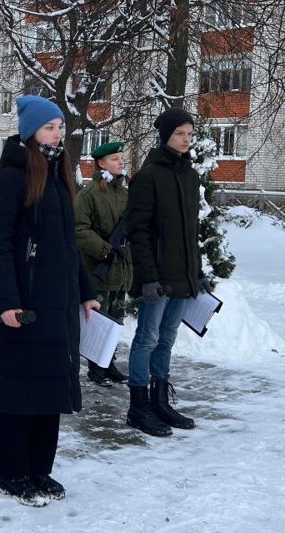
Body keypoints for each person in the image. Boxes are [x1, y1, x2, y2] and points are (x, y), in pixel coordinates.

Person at [0, 95, 100, 507]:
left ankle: (39, 469)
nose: (57, 134)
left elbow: (70, 247)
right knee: (21, 389)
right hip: (27, 305)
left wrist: (86, 293)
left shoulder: (60, 176)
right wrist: (8, 302)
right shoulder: (11, 178)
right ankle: (12, 472)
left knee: (50, 388)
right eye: (50, 127)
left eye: (60, 127)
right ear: (30, 130)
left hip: (59, 302)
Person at [125, 107, 210, 437]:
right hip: (157, 278)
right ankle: (138, 406)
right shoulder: (149, 175)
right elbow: (138, 231)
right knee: (147, 338)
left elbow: (191, 230)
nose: (186, 139)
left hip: (181, 275)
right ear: (165, 136)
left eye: (190, 134)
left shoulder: (189, 174)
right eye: (180, 133)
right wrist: (148, 277)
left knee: (168, 339)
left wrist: (197, 271)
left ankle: (160, 401)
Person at [74, 141, 133, 387]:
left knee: (116, 319)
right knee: (99, 320)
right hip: (98, 268)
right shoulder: (90, 193)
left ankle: (108, 362)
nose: (120, 162)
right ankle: (95, 367)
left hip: (119, 267)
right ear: (101, 163)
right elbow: (79, 228)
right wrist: (104, 250)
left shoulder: (123, 191)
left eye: (121, 158)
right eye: (114, 159)